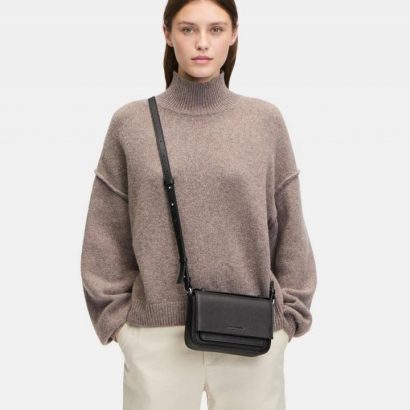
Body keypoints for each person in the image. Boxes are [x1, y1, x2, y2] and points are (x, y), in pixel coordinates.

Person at [80, 0, 317, 409]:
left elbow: (291, 226)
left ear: (234, 34)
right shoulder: (131, 124)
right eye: (188, 29)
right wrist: (121, 326)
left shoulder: (264, 121)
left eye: (215, 29)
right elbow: (105, 231)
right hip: (156, 339)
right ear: (167, 34)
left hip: (252, 336)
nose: (202, 43)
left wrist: (288, 319)